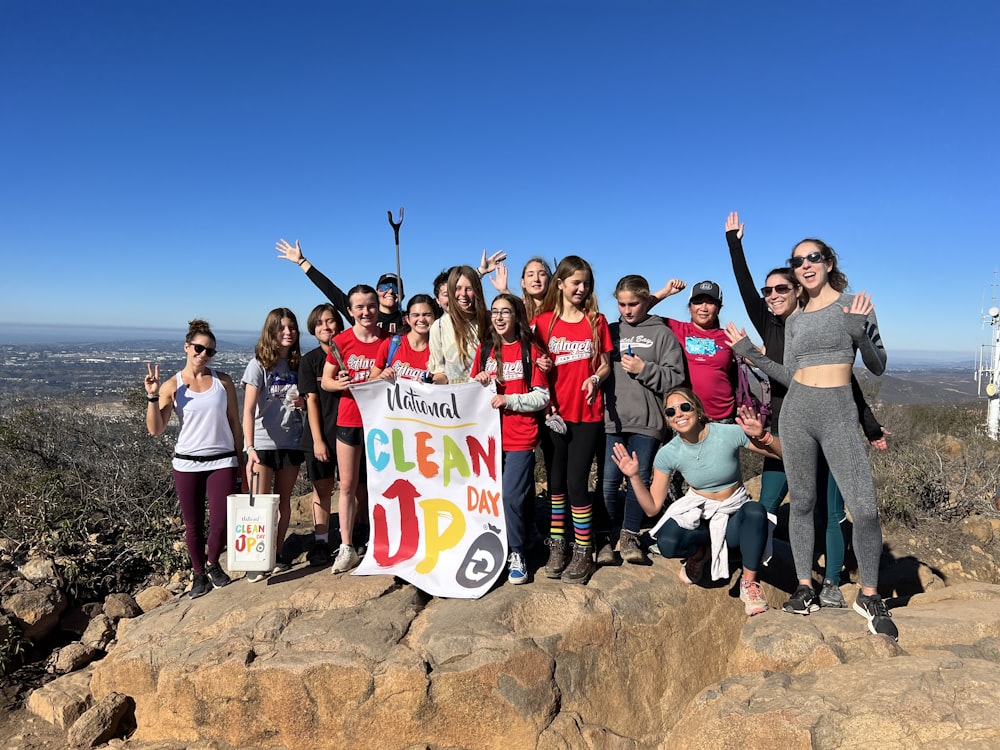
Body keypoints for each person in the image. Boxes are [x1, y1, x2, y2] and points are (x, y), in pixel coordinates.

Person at [727, 237, 898, 640]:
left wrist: (858, 331)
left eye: (812, 258)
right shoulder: (797, 318)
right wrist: (751, 353)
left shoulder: (853, 305)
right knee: (802, 503)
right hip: (799, 412)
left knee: (865, 507)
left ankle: (869, 595)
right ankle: (806, 588)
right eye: (797, 260)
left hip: (839, 412)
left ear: (828, 262)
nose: (805, 264)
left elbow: (877, 365)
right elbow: (792, 375)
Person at [612, 388, 780, 617]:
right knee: (667, 542)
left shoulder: (727, 433)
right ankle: (699, 553)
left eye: (685, 407)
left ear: (698, 410)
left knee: (755, 511)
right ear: (668, 421)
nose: (678, 414)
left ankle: (749, 584)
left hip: (733, 519)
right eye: (671, 412)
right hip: (702, 516)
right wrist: (633, 477)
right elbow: (652, 507)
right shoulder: (668, 453)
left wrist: (764, 437)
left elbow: (783, 455)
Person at [145, 319, 241, 598]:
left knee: (222, 521)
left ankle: (213, 563)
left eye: (210, 350)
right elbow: (155, 429)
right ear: (187, 347)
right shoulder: (172, 385)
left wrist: (242, 458)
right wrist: (152, 397)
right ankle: (199, 574)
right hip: (187, 462)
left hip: (223, 459)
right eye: (198, 348)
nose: (203, 354)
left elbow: (234, 421)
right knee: (194, 523)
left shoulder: (223, 381)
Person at [534, 255, 612, 584]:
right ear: (561, 284)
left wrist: (596, 378)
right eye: (575, 282)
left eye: (586, 283)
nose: (581, 288)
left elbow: (605, 364)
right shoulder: (543, 323)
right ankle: (558, 544)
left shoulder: (597, 321)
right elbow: (533, 368)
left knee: (577, 482)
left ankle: (584, 548)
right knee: (555, 484)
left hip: (587, 413)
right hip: (554, 414)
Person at [602, 275, 686, 565]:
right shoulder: (611, 331)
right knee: (609, 483)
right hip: (612, 420)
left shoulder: (661, 333)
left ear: (646, 300)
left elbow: (675, 378)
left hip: (648, 421)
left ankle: (630, 535)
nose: (627, 310)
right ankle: (609, 535)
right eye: (622, 304)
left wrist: (644, 368)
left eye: (633, 304)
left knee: (640, 480)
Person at [472, 293, 551, 583]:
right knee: (495, 498)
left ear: (517, 315)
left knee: (511, 497)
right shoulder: (486, 349)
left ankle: (516, 552)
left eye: (506, 311)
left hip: (520, 437)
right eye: (495, 312)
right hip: (488, 438)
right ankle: (524, 533)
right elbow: (474, 389)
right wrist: (479, 381)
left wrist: (510, 400)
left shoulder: (530, 349)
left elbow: (542, 397)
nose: (500, 317)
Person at [322, 285, 388, 573]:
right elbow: (326, 380)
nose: (366, 312)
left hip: (382, 421)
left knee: (382, 484)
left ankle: (382, 540)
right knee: (347, 485)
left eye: (371, 306)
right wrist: (340, 384)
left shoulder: (390, 340)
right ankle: (347, 546)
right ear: (349, 311)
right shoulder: (342, 341)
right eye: (359, 307)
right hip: (349, 419)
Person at [242, 308, 305, 582]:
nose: (288, 332)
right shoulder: (258, 365)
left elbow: (306, 401)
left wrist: (302, 403)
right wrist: (249, 447)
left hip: (291, 441)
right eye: (281, 328)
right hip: (263, 443)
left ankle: (277, 554)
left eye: (291, 327)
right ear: (271, 332)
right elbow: (247, 410)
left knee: (284, 503)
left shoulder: (297, 364)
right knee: (260, 506)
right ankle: (257, 559)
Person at [298, 303, 344, 567]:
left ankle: (357, 536)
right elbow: (311, 401)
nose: (326, 327)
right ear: (313, 330)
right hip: (320, 434)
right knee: (322, 489)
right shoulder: (310, 360)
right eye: (319, 324)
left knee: (355, 487)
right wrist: (317, 440)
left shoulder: (351, 355)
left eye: (330, 321)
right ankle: (321, 542)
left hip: (351, 432)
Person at [276, 238, 404, 332]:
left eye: (395, 287)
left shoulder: (409, 319)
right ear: (376, 294)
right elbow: (329, 288)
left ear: (402, 295)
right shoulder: (362, 313)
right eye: (384, 287)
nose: (390, 291)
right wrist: (301, 261)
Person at [661, 279, 738, 422]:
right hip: (685, 416)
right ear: (689, 307)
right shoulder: (677, 329)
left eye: (710, 302)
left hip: (722, 417)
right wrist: (665, 292)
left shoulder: (728, 335)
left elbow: (756, 359)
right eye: (697, 302)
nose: (703, 307)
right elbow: (639, 310)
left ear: (719, 308)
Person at [428, 265, 490, 384]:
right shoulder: (439, 327)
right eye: (458, 288)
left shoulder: (489, 321)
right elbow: (440, 372)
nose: (463, 294)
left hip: (485, 396)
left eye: (469, 288)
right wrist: (433, 384)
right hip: (454, 398)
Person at [369, 294, 439, 383]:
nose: (421, 319)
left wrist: (434, 382)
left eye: (427, 315)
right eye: (415, 315)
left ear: (435, 318)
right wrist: (381, 377)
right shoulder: (391, 344)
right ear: (407, 319)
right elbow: (370, 381)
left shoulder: (439, 349)